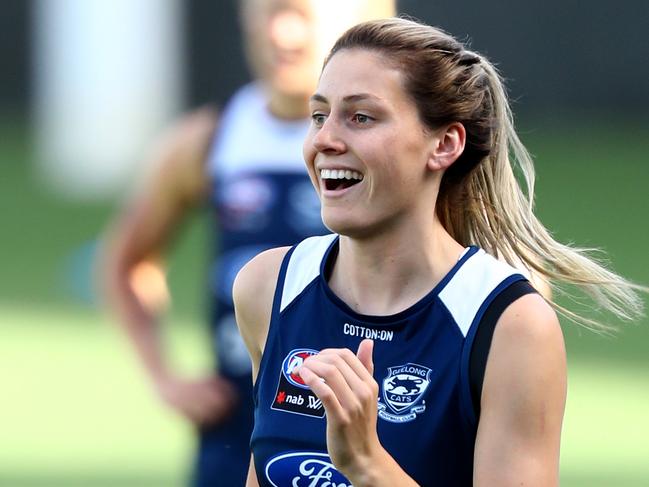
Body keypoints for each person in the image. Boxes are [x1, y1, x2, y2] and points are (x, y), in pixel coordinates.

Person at [233, 17, 646, 487]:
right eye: (319, 115)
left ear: (445, 144)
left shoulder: (509, 325)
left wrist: (367, 463)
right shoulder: (268, 287)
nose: (325, 139)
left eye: (361, 117)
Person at [100, 1, 396, 485]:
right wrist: (166, 379)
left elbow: (494, 272)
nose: (283, 34)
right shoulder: (212, 139)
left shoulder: (395, 142)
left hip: (376, 429)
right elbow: (126, 261)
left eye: (300, 12)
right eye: (268, 12)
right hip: (238, 431)